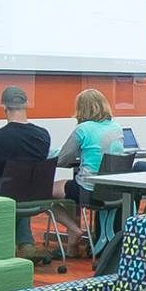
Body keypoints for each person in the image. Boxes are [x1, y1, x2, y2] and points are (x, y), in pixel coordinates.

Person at [49, 88, 124, 242]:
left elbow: (62, 159)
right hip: (113, 191)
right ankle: (72, 246)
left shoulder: (82, 129)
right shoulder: (116, 128)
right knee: (69, 188)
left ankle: (74, 230)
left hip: (88, 191)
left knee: (42, 191)